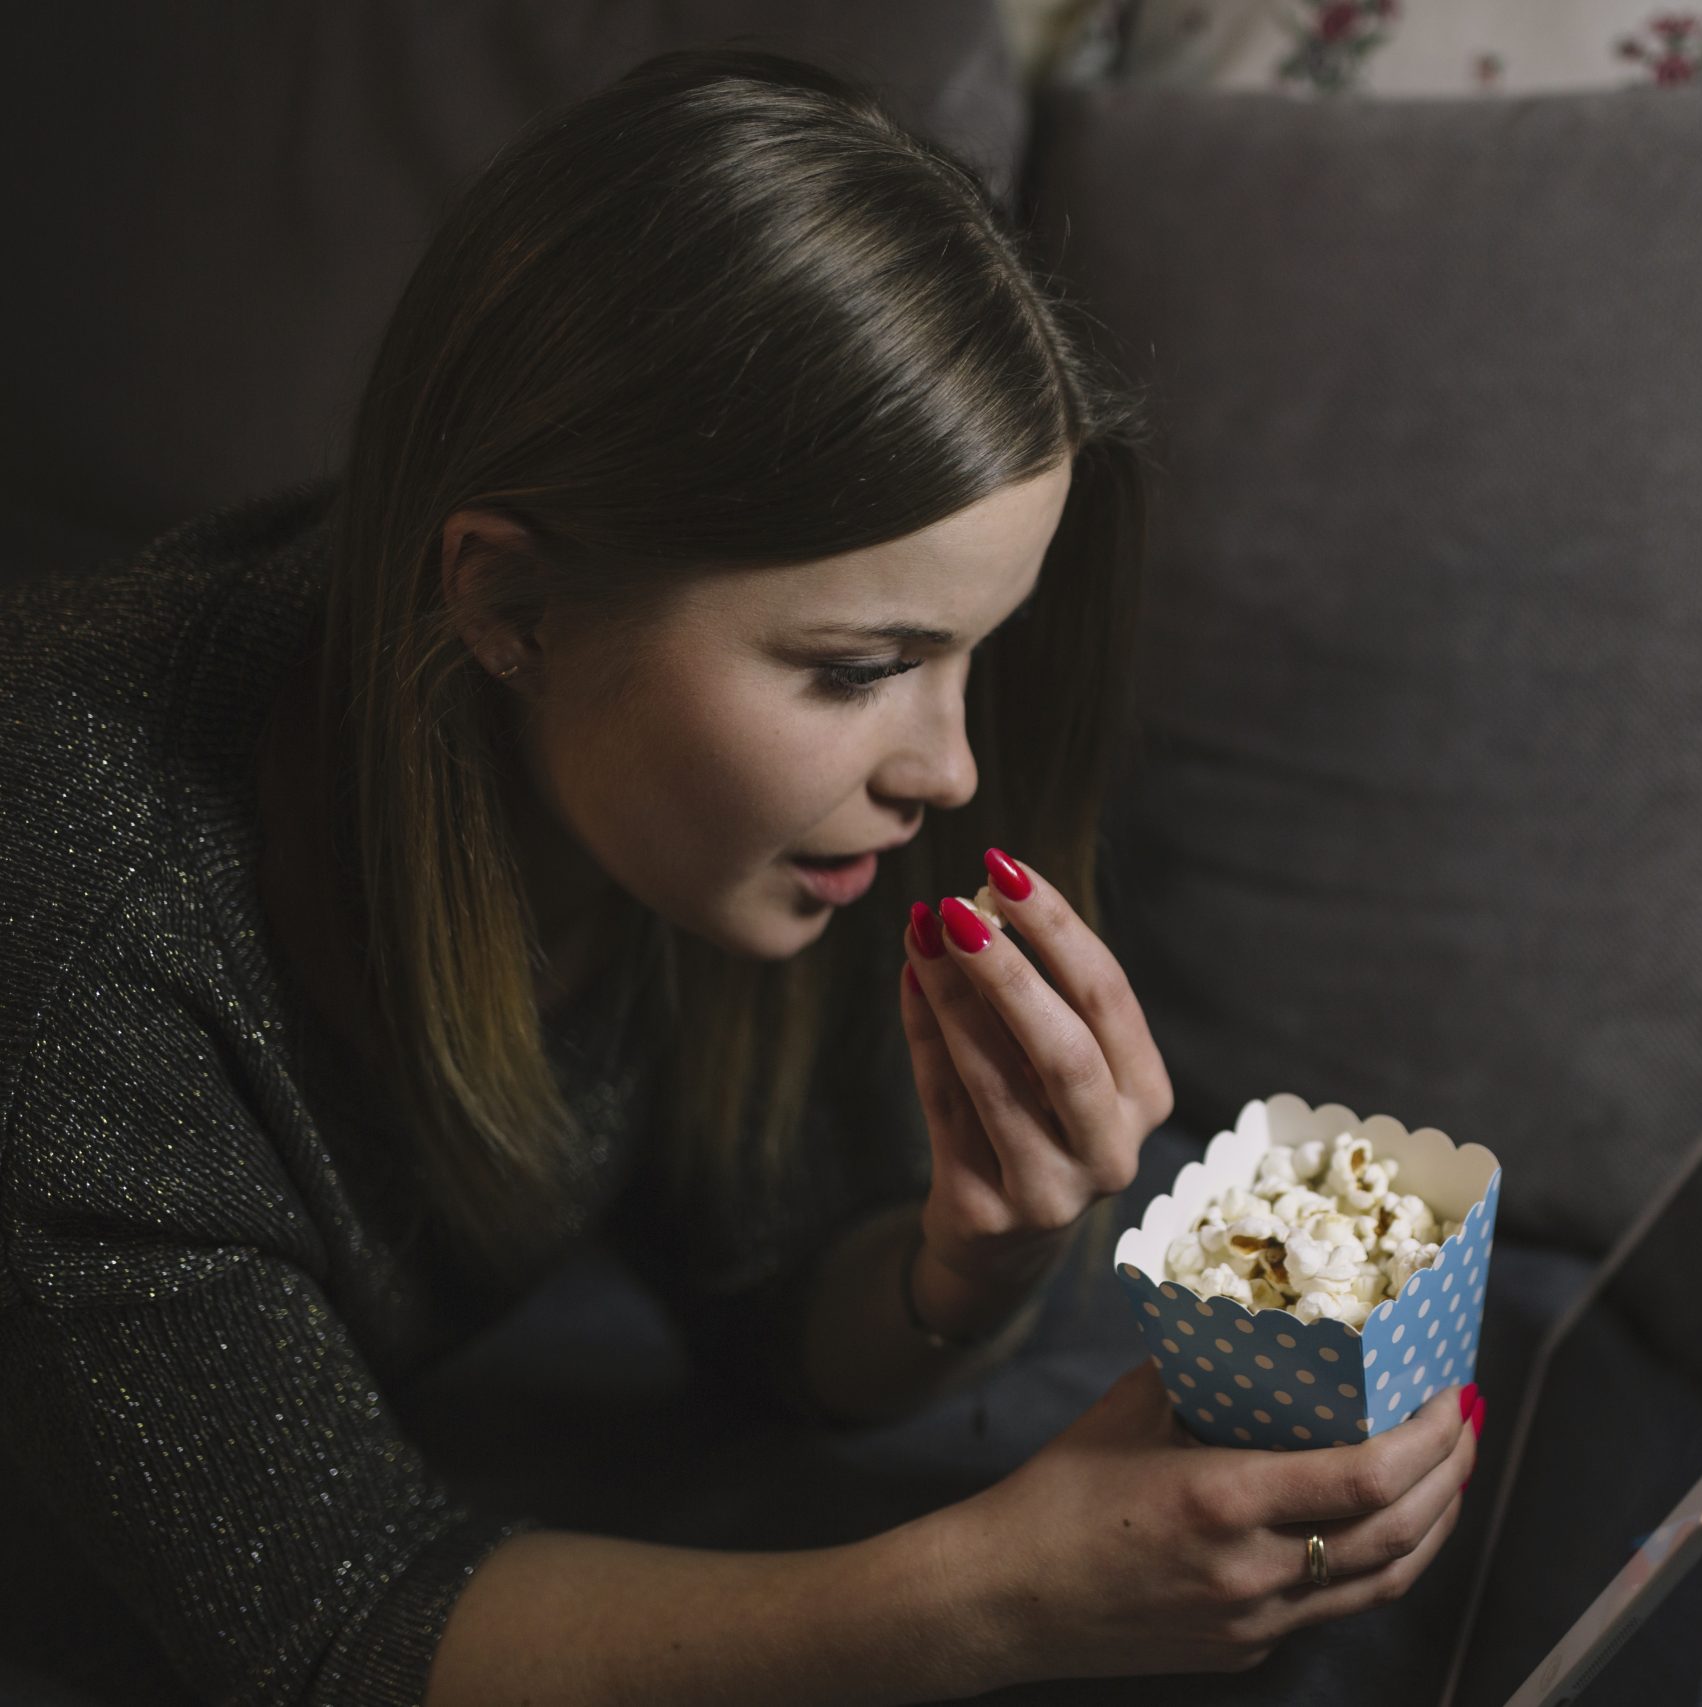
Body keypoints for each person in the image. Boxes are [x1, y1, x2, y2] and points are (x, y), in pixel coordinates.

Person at [0, 46, 1476, 1707]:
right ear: (504, 603)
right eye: (858, 667)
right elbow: (342, 1630)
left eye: (971, 656)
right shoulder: (80, 928)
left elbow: (764, 1287)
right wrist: (1000, 1596)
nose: (949, 772)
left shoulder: (654, 786)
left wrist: (967, 1267)